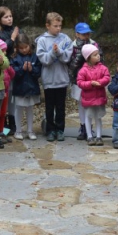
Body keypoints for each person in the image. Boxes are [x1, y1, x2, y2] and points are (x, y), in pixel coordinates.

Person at [36, 12, 73, 142]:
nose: (58, 28)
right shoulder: (42, 40)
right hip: (48, 80)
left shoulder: (66, 39)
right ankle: (50, 130)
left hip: (62, 80)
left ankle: (60, 130)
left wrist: (59, 51)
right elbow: (44, 60)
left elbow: (68, 57)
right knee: (49, 107)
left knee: (61, 107)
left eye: (60, 26)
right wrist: (53, 52)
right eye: (55, 26)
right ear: (47, 25)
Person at [70, 23, 101, 141]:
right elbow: (70, 62)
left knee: (91, 103)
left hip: (92, 78)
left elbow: (100, 58)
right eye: (83, 34)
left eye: (87, 33)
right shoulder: (72, 46)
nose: (86, 36)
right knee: (81, 103)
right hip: (79, 78)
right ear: (77, 34)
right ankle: (83, 126)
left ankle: (90, 127)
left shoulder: (94, 44)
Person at [76, 44, 110, 146]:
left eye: (98, 54)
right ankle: (89, 136)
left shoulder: (103, 68)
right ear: (88, 57)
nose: (98, 56)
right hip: (88, 97)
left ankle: (99, 136)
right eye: (95, 55)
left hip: (99, 96)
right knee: (88, 116)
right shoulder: (83, 70)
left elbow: (107, 77)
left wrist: (100, 82)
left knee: (98, 117)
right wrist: (90, 83)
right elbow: (80, 82)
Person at [9, 33, 41, 140]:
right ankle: (18, 130)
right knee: (18, 109)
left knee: (30, 109)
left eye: (26, 47)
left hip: (31, 88)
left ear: (29, 45)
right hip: (19, 88)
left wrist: (32, 70)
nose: (24, 50)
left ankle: (30, 130)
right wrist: (22, 69)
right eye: (21, 48)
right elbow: (13, 74)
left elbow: (38, 73)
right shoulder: (14, 58)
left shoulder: (34, 57)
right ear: (17, 48)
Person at [0, 7, 18, 139]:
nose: (9, 19)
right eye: (6, 17)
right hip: (4, 66)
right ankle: (1, 126)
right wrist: (13, 39)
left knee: (12, 97)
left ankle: (12, 122)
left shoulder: (14, 29)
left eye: (10, 16)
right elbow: (2, 47)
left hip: (14, 65)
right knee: (4, 96)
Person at [0, 39, 16, 144]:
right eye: (2, 51)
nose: (4, 53)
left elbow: (12, 75)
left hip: (6, 91)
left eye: (5, 51)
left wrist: (8, 66)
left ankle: (1, 131)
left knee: (3, 112)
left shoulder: (6, 63)